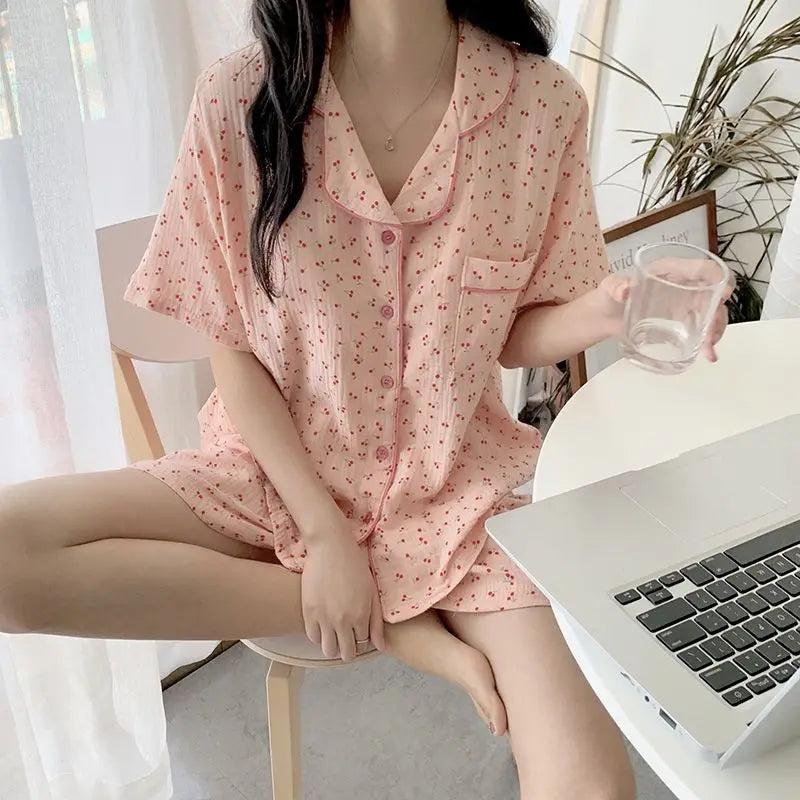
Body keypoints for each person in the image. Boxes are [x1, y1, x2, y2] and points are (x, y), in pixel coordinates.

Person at [0, 1, 727, 797]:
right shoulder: (240, 98)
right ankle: (397, 622)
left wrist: (612, 308)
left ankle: (380, 604)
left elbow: (516, 333)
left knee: (593, 786)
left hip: (459, 500)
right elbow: (231, 345)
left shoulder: (542, 106)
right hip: (273, 477)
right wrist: (326, 539)